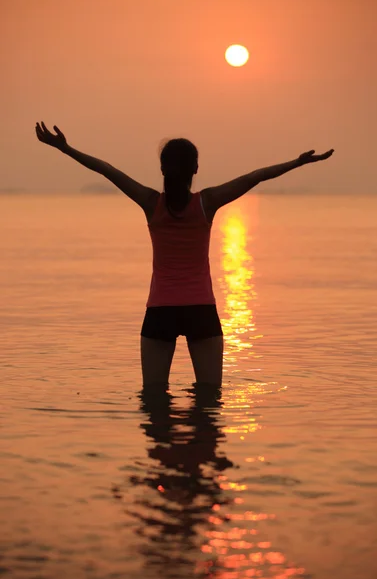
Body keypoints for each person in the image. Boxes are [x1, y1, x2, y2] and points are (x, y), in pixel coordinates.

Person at [35, 122, 334, 387]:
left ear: (163, 169)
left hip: (160, 311)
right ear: (195, 169)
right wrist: (298, 162)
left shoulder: (151, 203)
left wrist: (66, 149)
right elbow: (255, 177)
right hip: (200, 310)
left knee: (153, 403)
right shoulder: (207, 202)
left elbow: (108, 171)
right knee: (209, 401)